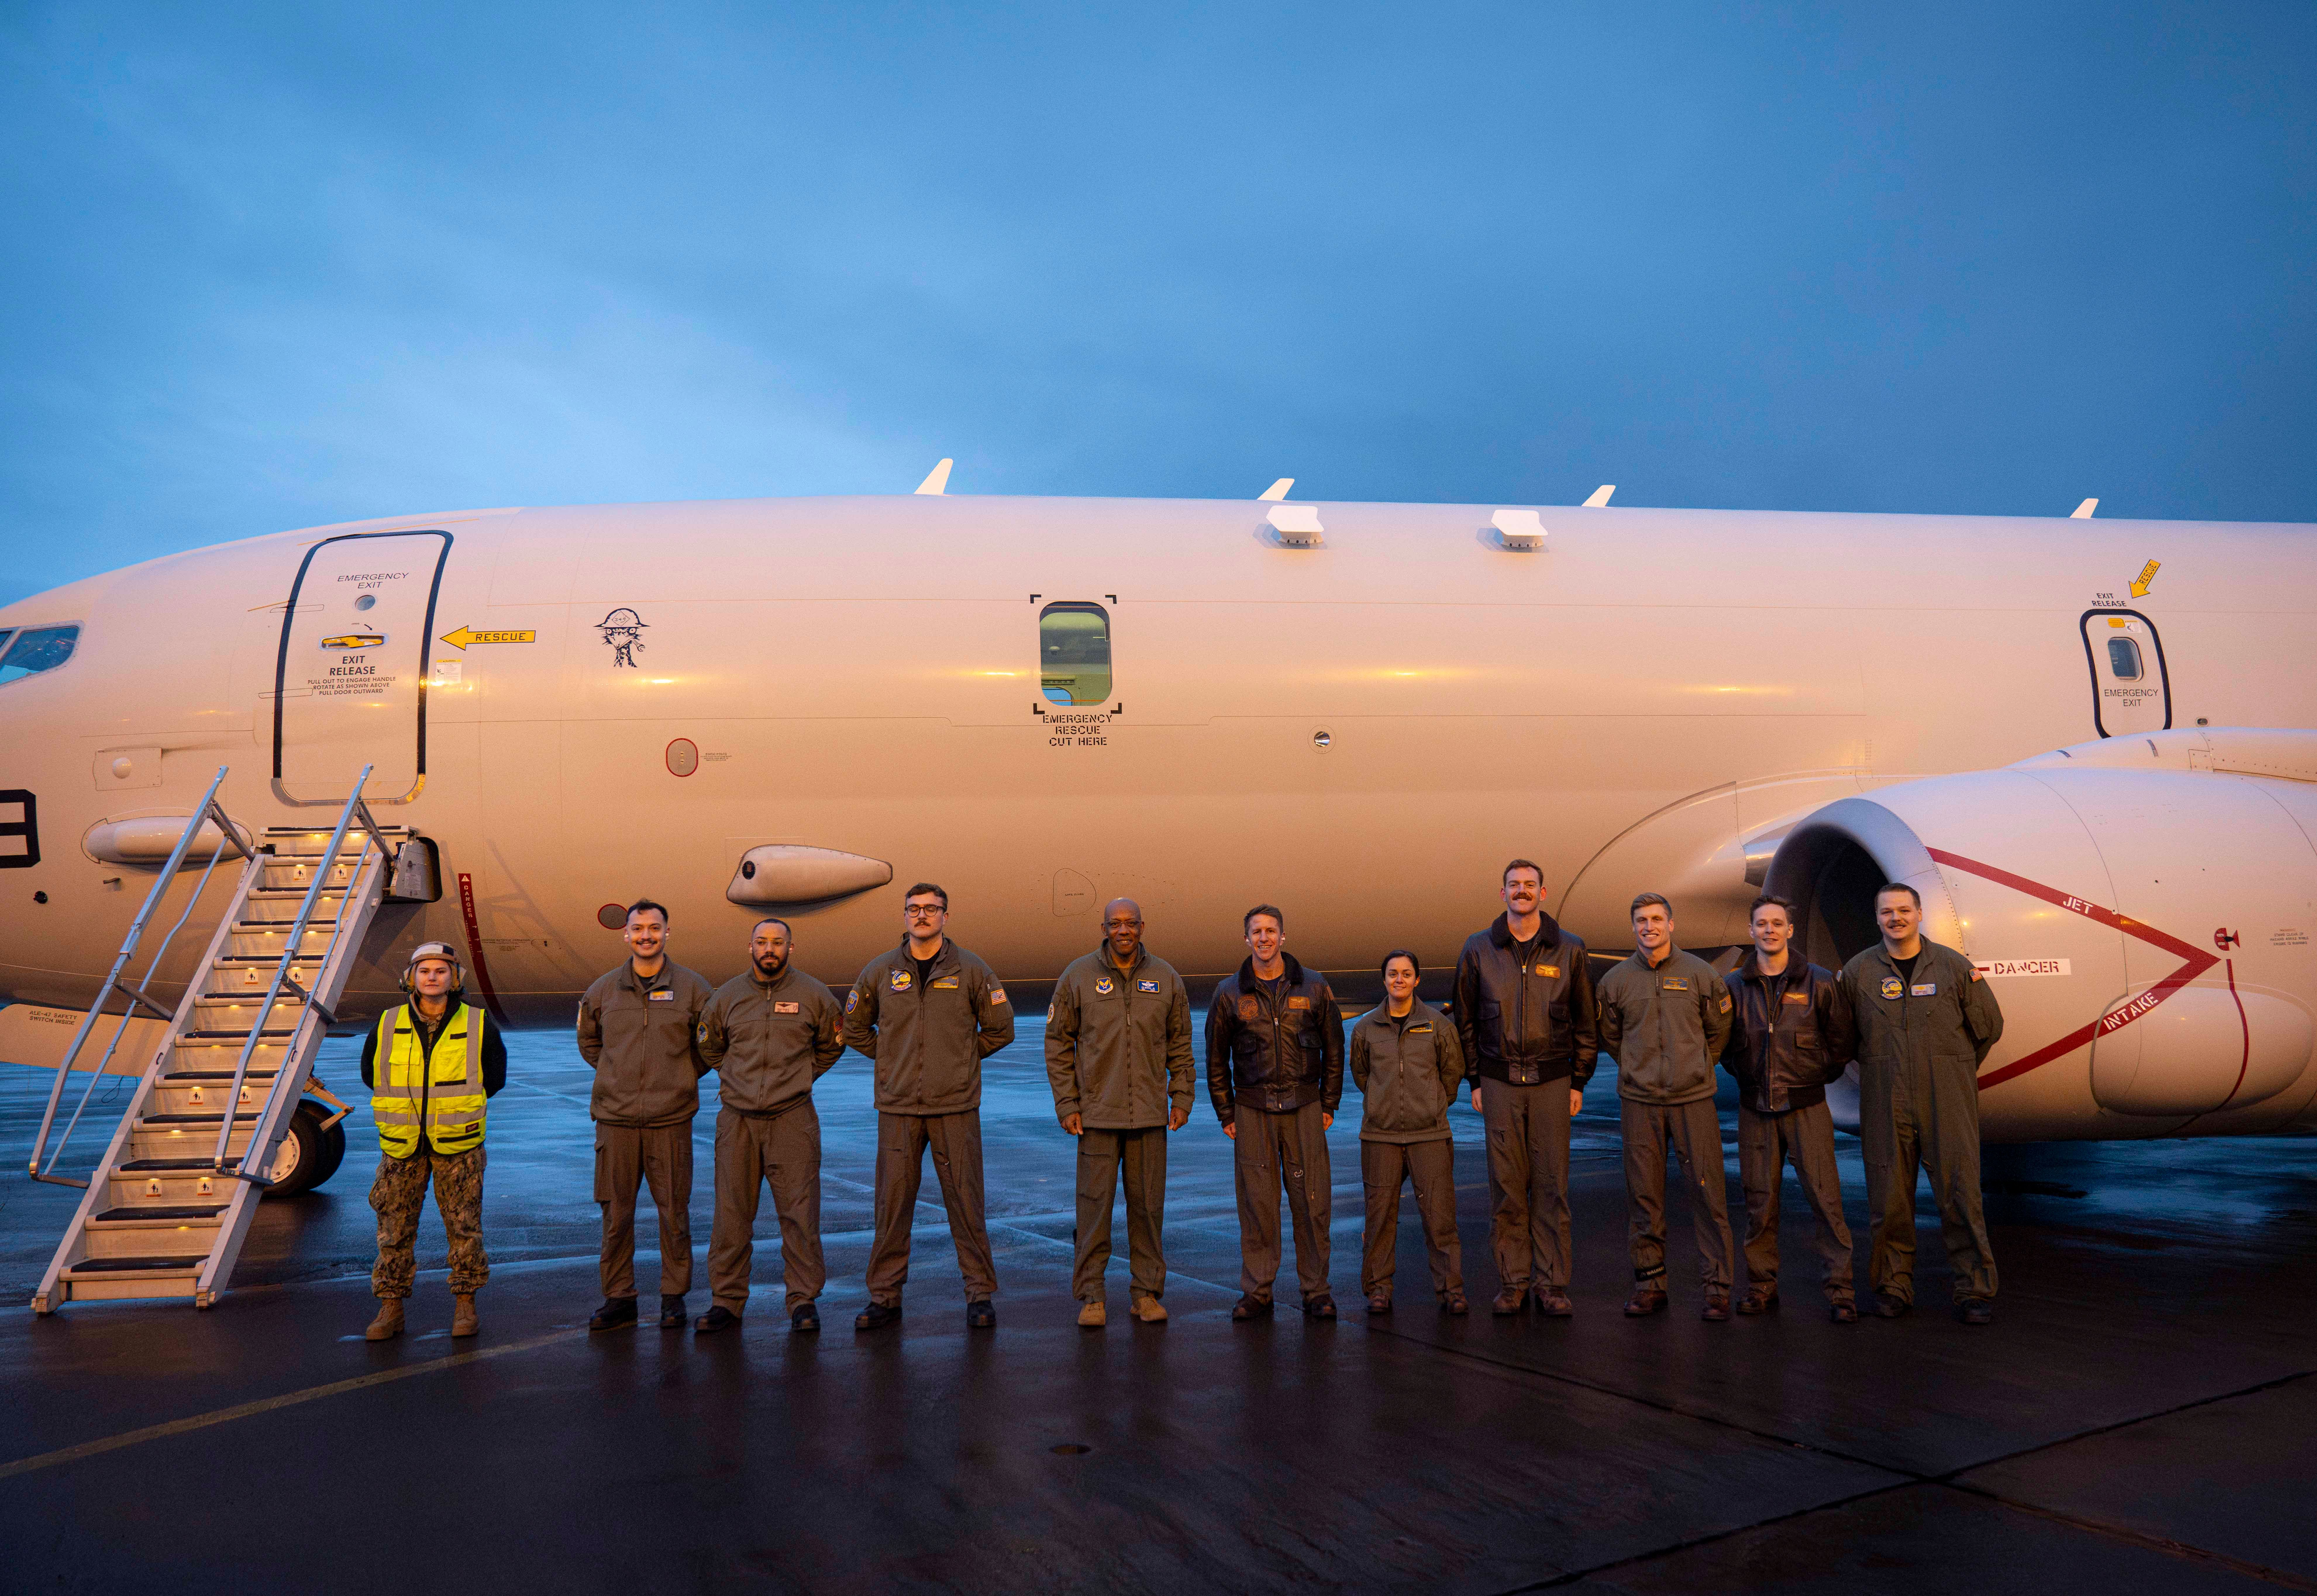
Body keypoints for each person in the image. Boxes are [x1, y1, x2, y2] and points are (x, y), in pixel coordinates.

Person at [843, 883, 1017, 1330]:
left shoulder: (971, 968)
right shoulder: (881, 971)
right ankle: (884, 1297)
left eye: (931, 909)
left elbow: (1001, 1028)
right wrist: (892, 1060)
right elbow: (855, 1027)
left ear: (945, 916)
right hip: (898, 1107)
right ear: (904, 915)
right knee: (891, 1206)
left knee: (966, 1203)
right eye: (914, 908)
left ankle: (979, 1294)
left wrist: (959, 1060)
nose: (922, 915)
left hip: (954, 1106)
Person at [1840, 882, 2006, 1324]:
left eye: (1903, 910)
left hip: (1946, 1100)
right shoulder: (1858, 972)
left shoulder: (1953, 967)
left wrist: (1951, 1069)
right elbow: (1843, 1036)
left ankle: (1974, 1290)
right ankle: (1893, 1287)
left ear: (1918, 914)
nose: (1895, 918)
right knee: (1889, 1200)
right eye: (1886, 912)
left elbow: (1988, 1027)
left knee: (1961, 1196)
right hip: (1885, 1101)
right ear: (1877, 918)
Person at [1452, 859, 1598, 1317]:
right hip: (1498, 1082)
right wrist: (1475, 1079)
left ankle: (1551, 1284)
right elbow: (1465, 1021)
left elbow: (1585, 1022)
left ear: (1542, 892)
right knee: (1506, 1187)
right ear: (1502, 894)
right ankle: (1512, 1282)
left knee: (1552, 1186)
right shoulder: (1478, 949)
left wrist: (1578, 1079)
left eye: (1529, 885)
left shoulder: (1569, 949)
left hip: (1552, 1081)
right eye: (1513, 885)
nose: (1521, 891)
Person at [1045, 897, 1195, 1327]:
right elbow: (1057, 1043)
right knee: (1093, 1211)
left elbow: (1180, 1044)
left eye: (1131, 923)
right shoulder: (1078, 976)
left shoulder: (1165, 978)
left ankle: (1145, 1293)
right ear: (1105, 928)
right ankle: (1092, 1295)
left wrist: (1182, 1097)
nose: (1123, 930)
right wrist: (1067, 1103)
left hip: (1149, 1117)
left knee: (1148, 1210)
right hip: (1096, 1117)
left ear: (1142, 927)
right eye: (1115, 923)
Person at [693, 917, 845, 1334]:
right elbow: (709, 1046)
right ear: (751, 947)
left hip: (792, 1119)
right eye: (762, 942)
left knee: (799, 1214)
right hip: (737, 1121)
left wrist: (800, 1077)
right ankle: (727, 1301)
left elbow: (832, 1045)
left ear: (790, 948)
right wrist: (739, 1079)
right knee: (731, 1216)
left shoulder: (814, 994)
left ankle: (803, 1300)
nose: (769, 949)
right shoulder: (727, 997)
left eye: (778, 942)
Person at [1595, 893, 1737, 1319]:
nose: (1649, 926)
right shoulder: (1615, 982)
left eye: (1657, 919)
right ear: (1633, 927)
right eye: (1641, 920)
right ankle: (1650, 1285)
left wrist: (1695, 1065)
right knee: (1644, 1197)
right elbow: (1611, 1037)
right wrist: (1638, 1068)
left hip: (1693, 1100)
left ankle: (1717, 1288)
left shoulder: (1701, 974)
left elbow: (1719, 1030)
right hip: (1640, 1104)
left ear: (1671, 925)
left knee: (1708, 1195)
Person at [576, 899, 714, 1332]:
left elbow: (709, 1045)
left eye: (655, 928)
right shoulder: (602, 990)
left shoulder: (694, 989)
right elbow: (590, 1043)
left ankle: (674, 1296)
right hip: (615, 1121)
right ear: (626, 934)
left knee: (674, 1214)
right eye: (638, 928)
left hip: (670, 1120)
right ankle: (619, 1297)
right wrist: (616, 1075)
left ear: (667, 933)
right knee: (616, 1216)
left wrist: (679, 1075)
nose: (646, 935)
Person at [1722, 894, 1860, 1321]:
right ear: (1751, 930)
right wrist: (1749, 1077)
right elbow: (1724, 1047)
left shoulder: (1820, 982)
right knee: (1759, 1205)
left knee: (1826, 1202)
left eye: (1777, 923)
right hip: (1755, 1109)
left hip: (1807, 1108)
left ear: (1790, 930)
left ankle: (1841, 1292)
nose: (1769, 930)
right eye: (1761, 923)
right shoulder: (1733, 986)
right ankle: (1761, 1287)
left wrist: (1811, 1079)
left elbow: (1842, 1043)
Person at [361, 942, 507, 1341]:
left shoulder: (478, 1022)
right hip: (402, 1144)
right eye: (424, 970)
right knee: (393, 1230)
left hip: (458, 1145)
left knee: (465, 1229)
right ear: (411, 977)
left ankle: (466, 1305)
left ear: (454, 978)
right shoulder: (388, 1022)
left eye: (441, 971)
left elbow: (494, 1077)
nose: (432, 977)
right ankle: (391, 1308)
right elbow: (371, 1073)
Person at [1207, 905, 1345, 1320]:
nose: (1264, 938)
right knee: (1257, 1206)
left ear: (1283, 936)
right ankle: (1257, 1291)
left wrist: (1328, 1103)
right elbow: (1216, 1059)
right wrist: (1226, 1111)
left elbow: (1334, 1048)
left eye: (1271, 931)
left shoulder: (1314, 987)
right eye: (1257, 932)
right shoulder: (1229, 993)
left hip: (1304, 1108)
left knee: (1312, 1203)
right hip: (1253, 1110)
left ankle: (1316, 1291)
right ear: (1246, 938)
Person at [1348, 951, 1467, 1316]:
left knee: (1440, 1218)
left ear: (1417, 980)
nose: (1399, 979)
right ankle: (1378, 1289)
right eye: (1392, 974)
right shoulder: (1366, 1028)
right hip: (1380, 1137)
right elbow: (1362, 1075)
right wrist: (1383, 1105)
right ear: (1384, 979)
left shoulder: (1438, 1025)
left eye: (1406, 973)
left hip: (1429, 1135)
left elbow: (1452, 1074)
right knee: (1379, 1218)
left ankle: (1451, 1289)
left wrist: (1429, 1106)